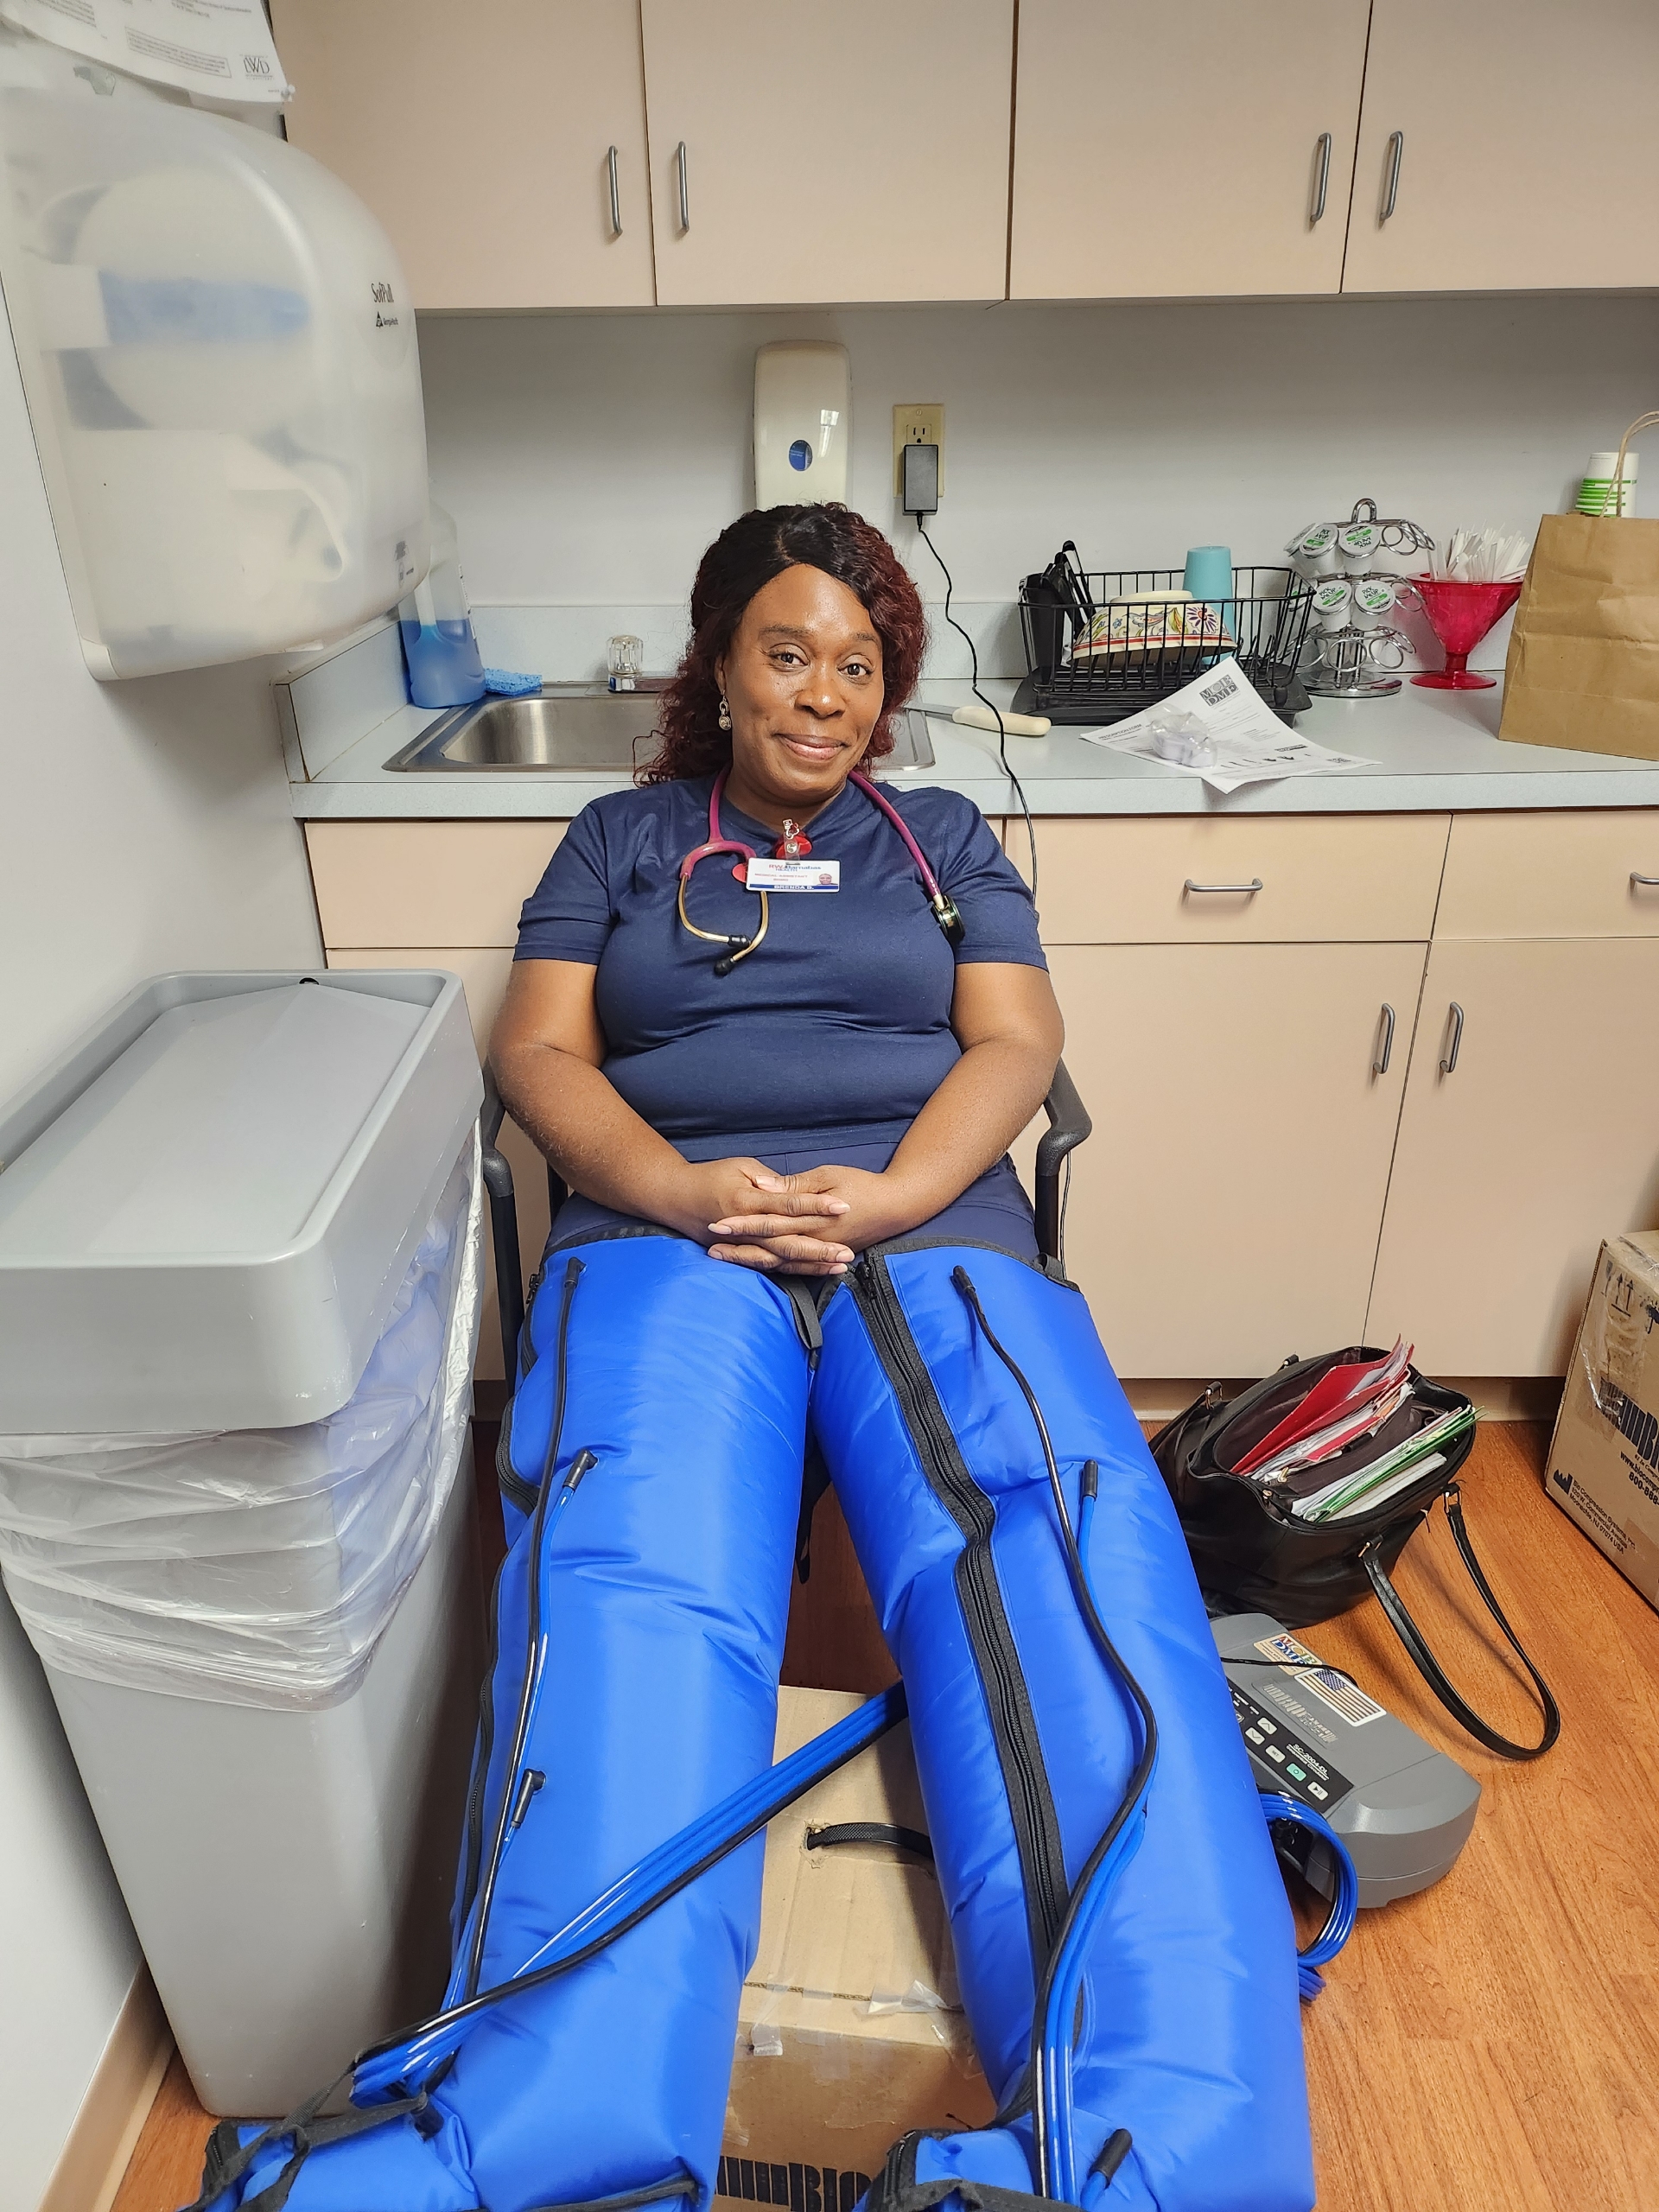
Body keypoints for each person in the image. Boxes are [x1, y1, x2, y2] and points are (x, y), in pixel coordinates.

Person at [490, 501, 1063, 1274]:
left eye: (856, 668)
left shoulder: (943, 835)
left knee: (977, 1360)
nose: (825, 697)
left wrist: (900, 1195)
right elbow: (537, 1049)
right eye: (789, 657)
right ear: (721, 666)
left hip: (931, 1201)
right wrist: (677, 1191)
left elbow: (1017, 1038)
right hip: (661, 1208)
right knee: (653, 1363)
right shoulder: (616, 836)